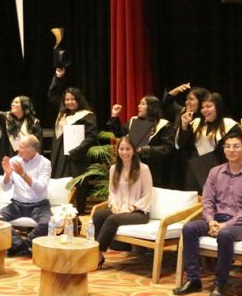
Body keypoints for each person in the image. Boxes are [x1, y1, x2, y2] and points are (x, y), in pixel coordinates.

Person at [173, 134, 242, 296]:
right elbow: (207, 200)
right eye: (228, 146)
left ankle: (220, 284)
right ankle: (193, 279)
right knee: (189, 228)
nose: (231, 150)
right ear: (223, 150)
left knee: (225, 234)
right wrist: (210, 221)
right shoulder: (215, 172)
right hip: (216, 220)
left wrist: (225, 225)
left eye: (236, 146)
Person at [92, 136, 152, 267]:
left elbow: (147, 195)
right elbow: (112, 192)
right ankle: (98, 253)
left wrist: (132, 208)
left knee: (113, 219)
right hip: (120, 209)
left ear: (134, 150)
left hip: (139, 212)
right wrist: (114, 205)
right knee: (98, 215)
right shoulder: (114, 169)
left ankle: (96, 254)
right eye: (121, 149)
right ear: (117, 150)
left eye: (128, 149)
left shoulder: (143, 169)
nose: (124, 152)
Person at [47, 68, 98, 213]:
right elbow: (52, 95)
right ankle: (59, 215)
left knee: (75, 187)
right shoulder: (63, 114)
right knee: (59, 185)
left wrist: (76, 151)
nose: (69, 102)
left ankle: (76, 215)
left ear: (79, 100)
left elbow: (91, 137)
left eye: (72, 99)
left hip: (76, 158)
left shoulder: (88, 116)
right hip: (59, 156)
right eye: (67, 99)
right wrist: (58, 78)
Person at [0, 134, 52, 257]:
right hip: (17, 204)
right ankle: (23, 246)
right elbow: (5, 188)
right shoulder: (13, 161)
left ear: (32, 150)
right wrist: (7, 174)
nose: (18, 149)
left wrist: (23, 174)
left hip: (39, 205)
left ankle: (22, 246)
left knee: (47, 223)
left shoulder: (45, 163)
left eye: (21, 147)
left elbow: (40, 188)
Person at [176, 92, 240, 192]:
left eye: (209, 106)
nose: (204, 110)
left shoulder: (230, 126)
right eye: (202, 107)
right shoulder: (196, 124)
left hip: (220, 172)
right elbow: (183, 145)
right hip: (195, 173)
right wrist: (184, 125)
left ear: (218, 108)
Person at [108, 96, 174, 187]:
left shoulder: (164, 125)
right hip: (135, 167)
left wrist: (145, 150)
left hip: (156, 170)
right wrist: (114, 116)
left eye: (142, 104)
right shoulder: (135, 121)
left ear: (151, 107)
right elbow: (119, 134)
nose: (139, 106)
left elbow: (168, 148)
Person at [163, 84, 209, 189]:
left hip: (195, 161)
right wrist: (176, 90)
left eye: (191, 99)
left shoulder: (205, 119)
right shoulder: (182, 112)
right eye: (187, 99)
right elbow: (166, 103)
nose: (187, 102)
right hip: (178, 160)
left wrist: (186, 125)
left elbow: (188, 142)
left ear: (201, 101)